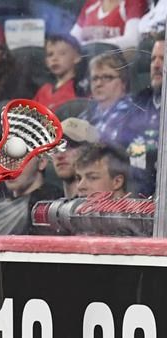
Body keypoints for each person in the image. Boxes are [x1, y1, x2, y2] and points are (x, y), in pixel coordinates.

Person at [0, 155, 60, 234]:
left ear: (42, 162)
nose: (9, 167)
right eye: (5, 158)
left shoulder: (52, 205)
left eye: (19, 158)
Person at [127, 33, 163, 195]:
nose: (156, 65)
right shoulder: (139, 103)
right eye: (153, 59)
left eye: (163, 59)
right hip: (137, 196)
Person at [33, 34, 88, 111]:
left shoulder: (79, 90)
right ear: (46, 61)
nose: (54, 58)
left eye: (62, 53)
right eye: (50, 55)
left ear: (77, 57)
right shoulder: (44, 90)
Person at [70, 0, 146, 51]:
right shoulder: (91, 3)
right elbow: (71, 40)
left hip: (114, 63)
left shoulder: (133, 2)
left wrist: (92, 46)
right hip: (86, 61)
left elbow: (132, 40)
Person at [53, 117, 100, 197]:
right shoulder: (48, 205)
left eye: (71, 145)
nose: (59, 155)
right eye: (55, 147)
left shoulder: (104, 207)